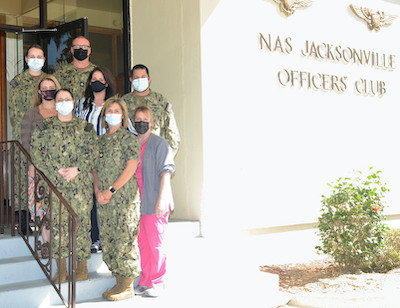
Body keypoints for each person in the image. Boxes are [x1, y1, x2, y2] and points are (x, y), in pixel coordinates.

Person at [30, 89, 97, 283]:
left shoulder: (85, 128)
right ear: (55, 102)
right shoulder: (43, 127)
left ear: (73, 102)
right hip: (55, 185)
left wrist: (77, 168)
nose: (63, 102)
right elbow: (37, 153)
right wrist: (56, 170)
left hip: (80, 187)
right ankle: (61, 268)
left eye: (67, 99)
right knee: (57, 226)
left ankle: (81, 265)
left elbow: (92, 153)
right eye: (60, 100)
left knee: (81, 225)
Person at [75, 67, 137, 254]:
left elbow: (130, 131)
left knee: (105, 196)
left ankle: (104, 238)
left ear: (107, 82)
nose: (97, 81)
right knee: (90, 198)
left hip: (108, 159)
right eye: (93, 78)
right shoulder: (80, 105)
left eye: (100, 79)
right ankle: (94, 237)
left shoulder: (115, 105)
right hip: (86, 160)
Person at [92, 96, 141, 301]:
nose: (112, 115)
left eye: (116, 111)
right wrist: (97, 192)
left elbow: (131, 167)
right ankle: (118, 279)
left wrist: (110, 191)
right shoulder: (100, 141)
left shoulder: (129, 139)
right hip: (103, 202)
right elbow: (93, 169)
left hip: (123, 201)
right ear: (104, 116)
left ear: (123, 116)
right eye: (109, 111)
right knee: (110, 240)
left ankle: (127, 284)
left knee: (124, 240)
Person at [133, 105, 175, 298]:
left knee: (155, 243)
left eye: (144, 120)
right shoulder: (133, 144)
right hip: (138, 204)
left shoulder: (159, 144)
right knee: (143, 243)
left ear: (151, 122)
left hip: (154, 201)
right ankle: (145, 280)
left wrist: (162, 200)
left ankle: (158, 281)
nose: (141, 123)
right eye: (137, 119)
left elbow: (166, 172)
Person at [9, 44, 47, 235]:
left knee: (44, 179)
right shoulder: (17, 82)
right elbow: (15, 113)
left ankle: (43, 219)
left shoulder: (49, 82)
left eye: (39, 56)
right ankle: (24, 221)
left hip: (46, 139)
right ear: (26, 60)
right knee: (23, 179)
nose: (35, 59)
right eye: (32, 56)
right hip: (22, 137)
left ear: (44, 60)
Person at [21, 75, 60, 257]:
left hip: (60, 169)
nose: (47, 91)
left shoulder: (63, 111)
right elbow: (26, 142)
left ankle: (59, 245)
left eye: (51, 87)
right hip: (37, 168)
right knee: (38, 207)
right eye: (44, 88)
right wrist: (31, 166)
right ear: (39, 92)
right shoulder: (31, 113)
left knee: (57, 207)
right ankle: (46, 244)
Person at [122, 64, 180, 155]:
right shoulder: (123, 102)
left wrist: (165, 160)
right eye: (136, 78)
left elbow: (172, 133)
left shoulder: (160, 101)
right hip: (130, 157)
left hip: (155, 155)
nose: (140, 80)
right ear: (131, 80)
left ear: (149, 79)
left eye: (143, 77)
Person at [54, 36, 96, 101]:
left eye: (84, 47)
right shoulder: (60, 73)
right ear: (72, 50)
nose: (81, 49)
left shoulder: (97, 72)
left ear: (89, 50)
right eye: (77, 46)